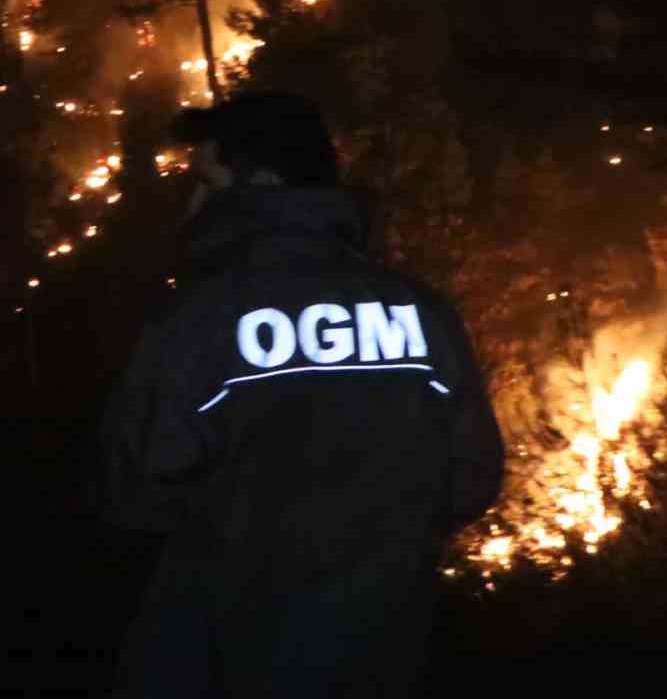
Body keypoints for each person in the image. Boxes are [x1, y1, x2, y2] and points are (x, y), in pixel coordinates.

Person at [99, 91, 504, 698]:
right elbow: (471, 480)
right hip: (389, 653)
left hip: (229, 658)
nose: (193, 201)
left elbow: (130, 492)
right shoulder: (418, 310)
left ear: (256, 182)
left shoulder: (198, 320)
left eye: (205, 180)